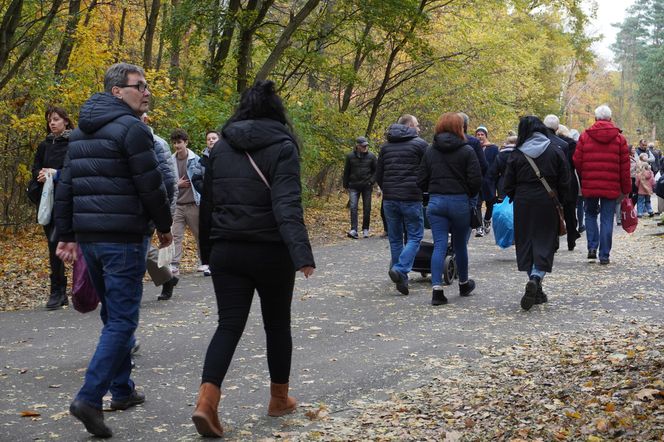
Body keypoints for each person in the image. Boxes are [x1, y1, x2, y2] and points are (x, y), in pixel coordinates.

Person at [54, 62, 172, 438]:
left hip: (91, 239)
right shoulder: (132, 130)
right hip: (123, 238)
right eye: (140, 86)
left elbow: (66, 187)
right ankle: (90, 397)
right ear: (117, 91)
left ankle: (122, 390)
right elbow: (150, 184)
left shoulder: (80, 132)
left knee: (113, 316)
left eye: (147, 85)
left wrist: (68, 233)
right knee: (123, 320)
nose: (147, 91)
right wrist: (165, 226)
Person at [193, 80, 315, 438]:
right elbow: (286, 203)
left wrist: (207, 252)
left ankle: (206, 402)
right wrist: (301, 254)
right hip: (271, 250)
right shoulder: (283, 146)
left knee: (228, 325)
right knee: (276, 325)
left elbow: (209, 203)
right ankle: (278, 399)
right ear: (276, 110)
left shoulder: (222, 147)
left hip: (227, 249)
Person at [503, 116, 570, 311]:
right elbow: (565, 181)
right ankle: (536, 279)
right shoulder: (554, 151)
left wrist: (517, 194)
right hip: (548, 202)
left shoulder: (516, 154)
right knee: (545, 242)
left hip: (523, 203)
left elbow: (507, 185)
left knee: (527, 243)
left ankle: (535, 286)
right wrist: (562, 203)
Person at [417, 112, 481, 305]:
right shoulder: (467, 151)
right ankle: (463, 283)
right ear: (459, 128)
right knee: (460, 245)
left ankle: (437, 291)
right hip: (459, 202)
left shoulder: (430, 150)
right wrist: (467, 194)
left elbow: (420, 180)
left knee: (439, 245)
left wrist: (432, 189)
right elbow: (476, 180)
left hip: (436, 203)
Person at [375, 114, 427, 296]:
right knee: (415, 236)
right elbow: (427, 170)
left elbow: (378, 174)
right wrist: (422, 189)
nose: (419, 128)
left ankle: (401, 278)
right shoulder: (420, 145)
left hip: (390, 199)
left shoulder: (386, 147)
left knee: (395, 238)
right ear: (409, 126)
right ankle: (400, 268)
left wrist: (388, 189)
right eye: (417, 125)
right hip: (411, 197)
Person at [573, 105, 631, 265]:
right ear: (610, 119)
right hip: (611, 186)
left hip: (590, 183)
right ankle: (604, 255)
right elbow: (625, 167)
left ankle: (592, 247)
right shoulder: (619, 139)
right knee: (606, 219)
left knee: (590, 214)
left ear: (596, 119)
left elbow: (577, 160)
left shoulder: (585, 136)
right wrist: (626, 189)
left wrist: (584, 175)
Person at [31, 106, 73, 310]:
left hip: (72, 202)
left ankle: (89, 286)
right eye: (49, 120)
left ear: (66, 121)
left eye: (56, 119)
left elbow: (77, 170)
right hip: (49, 202)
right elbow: (35, 167)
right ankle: (58, 290)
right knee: (53, 244)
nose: (52, 123)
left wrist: (56, 173)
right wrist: (39, 175)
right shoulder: (44, 145)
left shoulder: (75, 142)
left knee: (83, 245)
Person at [140, 113, 180, 300]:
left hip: (149, 208)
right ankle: (167, 278)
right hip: (131, 208)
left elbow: (168, 181)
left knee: (141, 248)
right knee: (142, 249)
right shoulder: (121, 139)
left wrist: (164, 217)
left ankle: (165, 279)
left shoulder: (157, 143)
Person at [169, 128, 203, 275]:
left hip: (193, 204)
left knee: (199, 234)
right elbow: (167, 182)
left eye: (180, 142)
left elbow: (202, 179)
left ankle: (204, 262)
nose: (177, 145)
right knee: (175, 235)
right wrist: (177, 184)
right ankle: (174, 264)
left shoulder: (195, 160)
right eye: (175, 143)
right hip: (178, 205)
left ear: (186, 142)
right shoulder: (170, 160)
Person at [543, 115, 580, 251]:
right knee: (570, 211)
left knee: (554, 210)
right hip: (569, 180)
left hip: (550, 182)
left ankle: (554, 240)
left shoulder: (543, 142)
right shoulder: (570, 144)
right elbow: (574, 163)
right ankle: (571, 238)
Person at [192, 130, 220, 277]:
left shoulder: (225, 157)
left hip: (222, 200)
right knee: (205, 230)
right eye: (208, 139)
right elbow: (195, 178)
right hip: (206, 201)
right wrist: (206, 191)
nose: (211, 141)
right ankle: (207, 263)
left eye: (214, 138)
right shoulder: (202, 160)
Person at [458, 113, 488, 237]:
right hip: (468, 188)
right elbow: (483, 165)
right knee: (465, 223)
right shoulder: (472, 142)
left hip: (445, 189)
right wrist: (476, 181)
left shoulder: (437, 141)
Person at [343, 136, 377, 238]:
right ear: (357, 146)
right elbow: (346, 171)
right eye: (363, 146)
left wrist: (371, 181)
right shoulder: (350, 156)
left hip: (367, 186)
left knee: (367, 208)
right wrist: (345, 185)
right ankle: (354, 229)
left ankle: (365, 229)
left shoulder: (372, 156)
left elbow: (376, 170)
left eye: (366, 145)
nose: (365, 147)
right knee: (353, 207)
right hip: (353, 185)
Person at [475, 126, 499, 234]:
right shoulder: (474, 147)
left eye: (482, 134)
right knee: (477, 204)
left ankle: (487, 220)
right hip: (477, 179)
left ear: (486, 136)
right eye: (478, 134)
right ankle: (479, 226)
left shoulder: (493, 148)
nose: (480, 136)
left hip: (489, 180)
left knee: (490, 203)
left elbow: (496, 163)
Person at [486, 135, 517, 202]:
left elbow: (493, 173)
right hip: (518, 183)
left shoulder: (500, 155)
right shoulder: (520, 154)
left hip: (503, 183)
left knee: (503, 206)